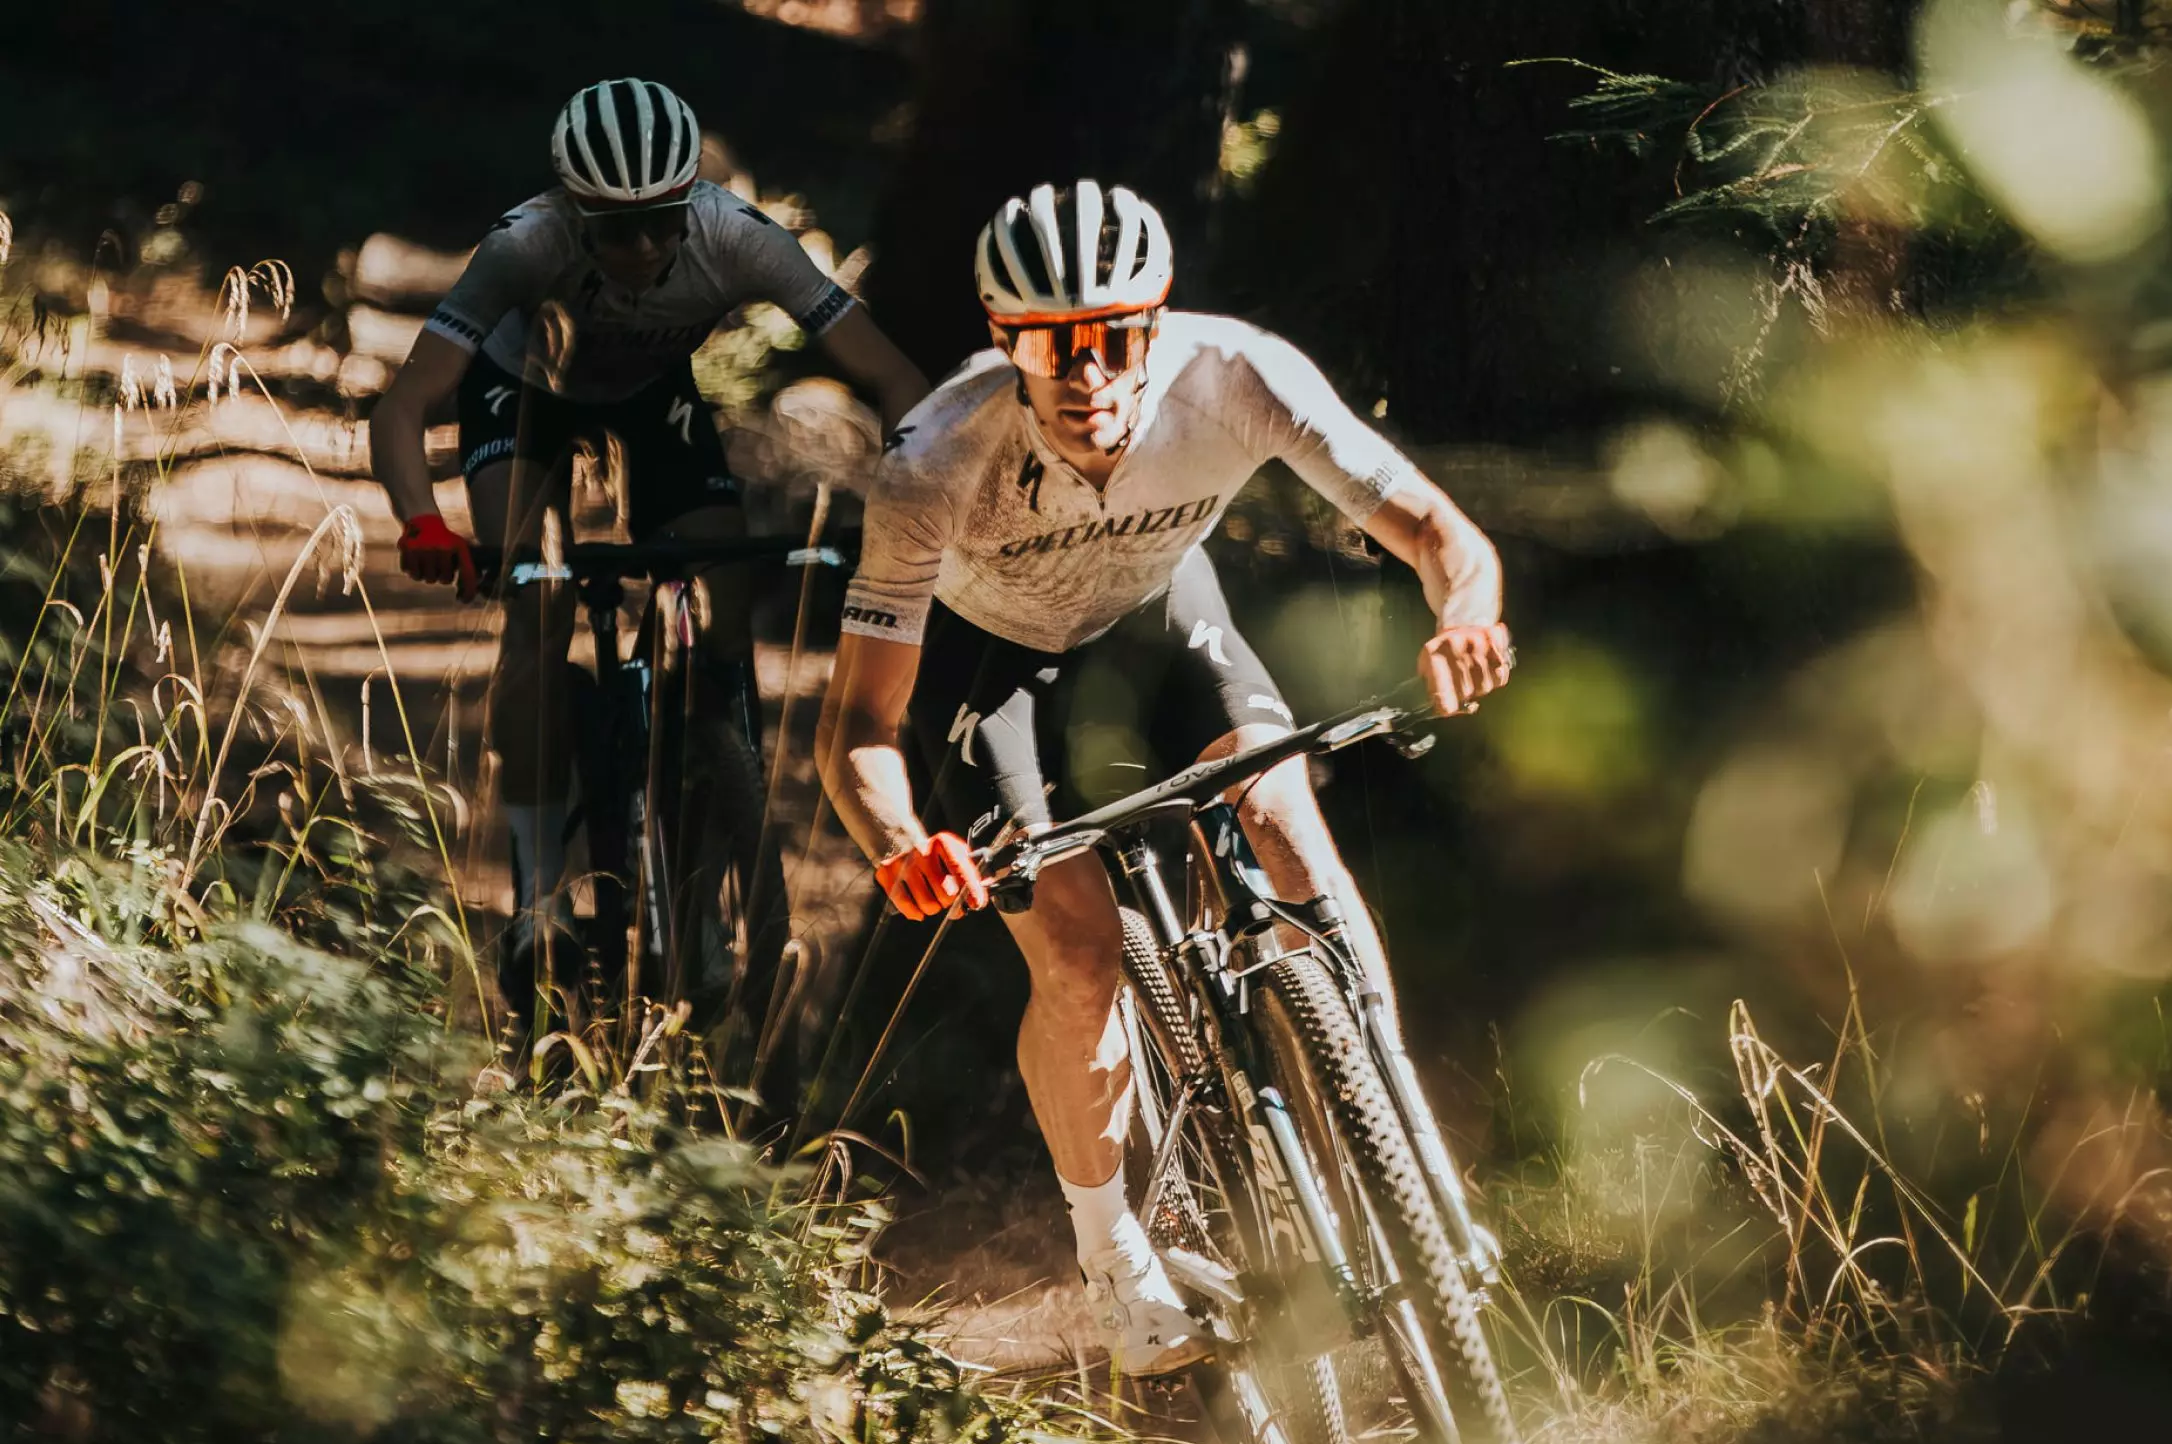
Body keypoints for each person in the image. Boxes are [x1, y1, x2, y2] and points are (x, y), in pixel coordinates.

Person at [815, 180, 1512, 1373]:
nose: (1086, 373)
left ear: (1158, 322)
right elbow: (858, 725)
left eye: (1114, 337)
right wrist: (899, 843)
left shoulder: (1238, 374)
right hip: (995, 667)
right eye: (1050, 346)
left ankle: (1404, 1155)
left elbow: (1442, 535)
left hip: (1161, 618)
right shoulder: (932, 457)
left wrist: (1465, 619)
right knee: (1079, 957)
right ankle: (1119, 1265)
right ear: (1004, 340)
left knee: (1285, 823)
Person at [369, 78, 928, 1011]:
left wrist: (916, 499)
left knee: (722, 592)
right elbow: (405, 404)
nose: (643, 249)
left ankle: (707, 819)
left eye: (662, 223)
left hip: (652, 397)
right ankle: (539, 896)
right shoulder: (523, 244)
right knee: (539, 598)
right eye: (615, 229)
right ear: (572, 211)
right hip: (523, 394)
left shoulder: (742, 238)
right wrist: (422, 522)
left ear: (690, 204)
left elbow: (895, 377)